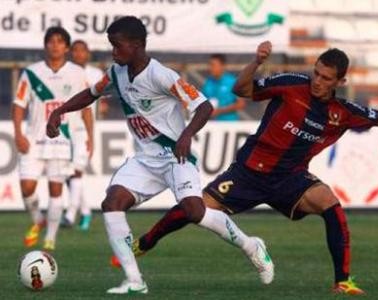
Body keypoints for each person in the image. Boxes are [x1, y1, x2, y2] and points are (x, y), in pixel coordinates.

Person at [119, 41, 378, 295]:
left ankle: (342, 281)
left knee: (331, 204)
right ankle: (144, 244)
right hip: (247, 173)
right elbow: (242, 90)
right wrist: (256, 61)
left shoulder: (343, 113)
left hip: (291, 180)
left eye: (326, 78)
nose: (317, 81)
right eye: (316, 73)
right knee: (191, 209)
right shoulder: (291, 85)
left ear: (339, 81)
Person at [46, 16, 274, 294]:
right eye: (111, 46)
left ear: (138, 46)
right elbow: (91, 94)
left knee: (195, 212)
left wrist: (187, 135)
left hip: (176, 156)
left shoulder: (161, 75)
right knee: (112, 202)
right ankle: (134, 281)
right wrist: (60, 111)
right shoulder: (116, 73)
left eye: (117, 46)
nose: (113, 52)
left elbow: (203, 107)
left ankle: (251, 246)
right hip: (145, 160)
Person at [12, 26, 91, 251]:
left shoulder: (77, 73)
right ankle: (38, 220)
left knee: (56, 190)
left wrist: (90, 138)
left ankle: (51, 238)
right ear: (45, 45)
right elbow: (19, 105)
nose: (55, 45)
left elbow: (86, 108)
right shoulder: (31, 73)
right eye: (51, 41)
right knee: (27, 187)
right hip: (34, 139)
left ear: (66, 47)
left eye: (60, 41)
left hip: (62, 141)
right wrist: (18, 133)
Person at [60, 40, 102, 231]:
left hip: (85, 128)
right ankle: (85, 212)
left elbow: (102, 100)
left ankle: (70, 215)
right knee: (68, 173)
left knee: (76, 170)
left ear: (88, 53)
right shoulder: (65, 72)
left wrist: (92, 136)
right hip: (66, 127)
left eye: (82, 50)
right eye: (75, 50)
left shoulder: (96, 74)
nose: (78, 54)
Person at [202, 54, 245, 120]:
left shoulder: (232, 82)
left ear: (222, 66)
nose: (210, 68)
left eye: (213, 65)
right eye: (209, 65)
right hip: (211, 124)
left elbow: (241, 104)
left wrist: (220, 110)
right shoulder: (208, 82)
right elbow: (202, 101)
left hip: (229, 123)